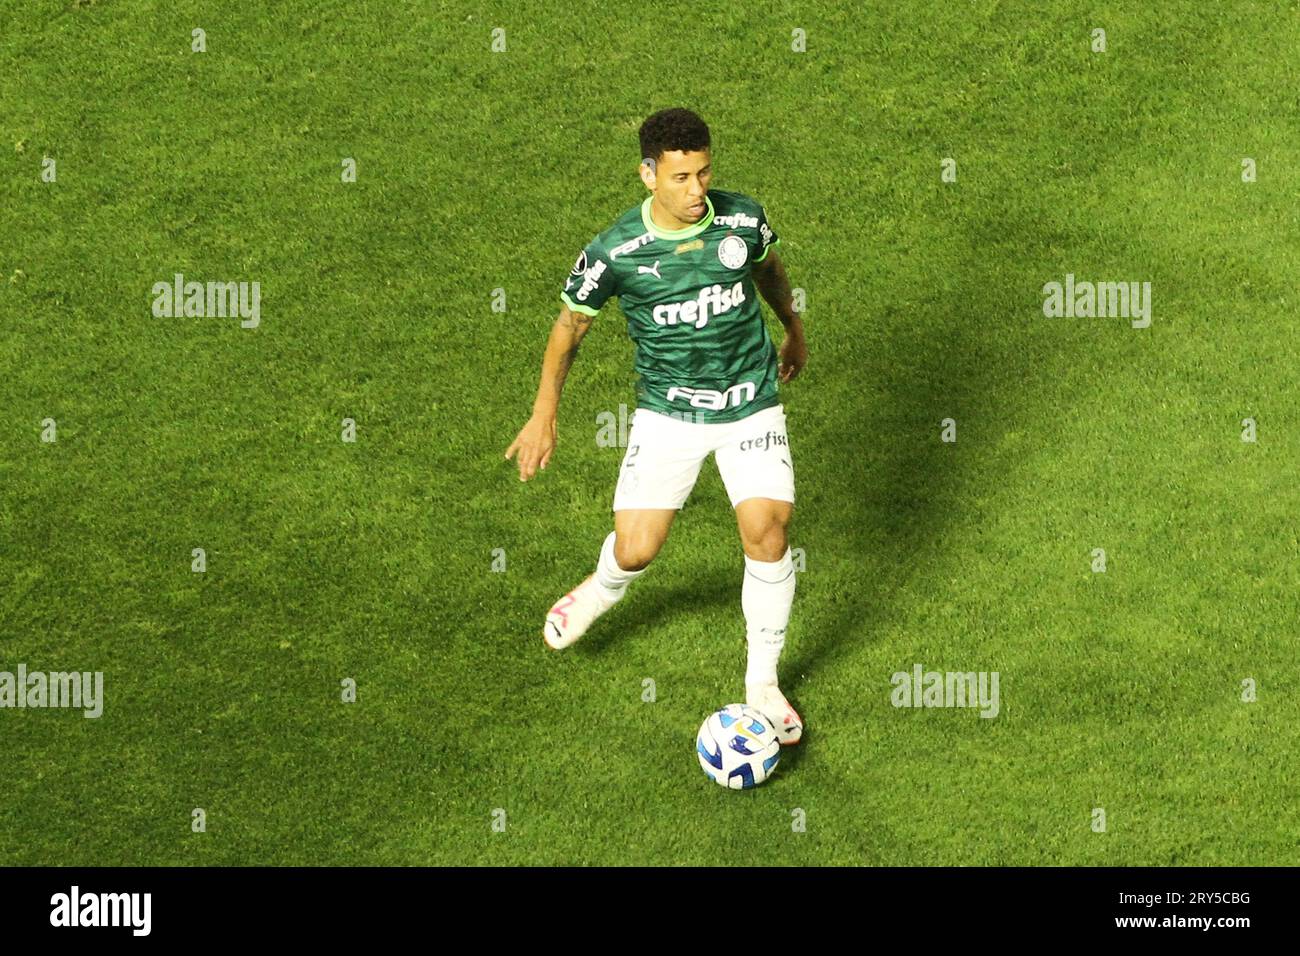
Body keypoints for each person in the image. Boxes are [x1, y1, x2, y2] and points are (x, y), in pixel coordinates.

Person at [504, 107, 808, 743]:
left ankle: (762, 682)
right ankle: (600, 590)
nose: (697, 190)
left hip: (750, 402)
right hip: (669, 413)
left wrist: (794, 328)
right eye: (680, 178)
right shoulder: (615, 252)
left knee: (768, 532)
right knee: (637, 548)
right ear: (648, 175)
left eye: (703, 173)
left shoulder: (742, 217)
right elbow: (570, 327)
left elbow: (768, 272)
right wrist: (543, 414)